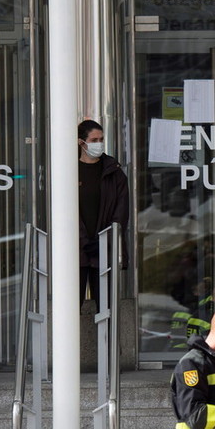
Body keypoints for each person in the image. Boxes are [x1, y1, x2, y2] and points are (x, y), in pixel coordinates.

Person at [78, 118, 130, 305]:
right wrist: (83, 241)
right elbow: (66, 214)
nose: (99, 144)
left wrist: (104, 240)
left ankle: (107, 336)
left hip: (104, 250)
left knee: (106, 306)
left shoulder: (113, 172)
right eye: (94, 140)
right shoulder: (69, 170)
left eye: (101, 139)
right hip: (77, 252)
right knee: (71, 307)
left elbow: (121, 213)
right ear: (81, 142)